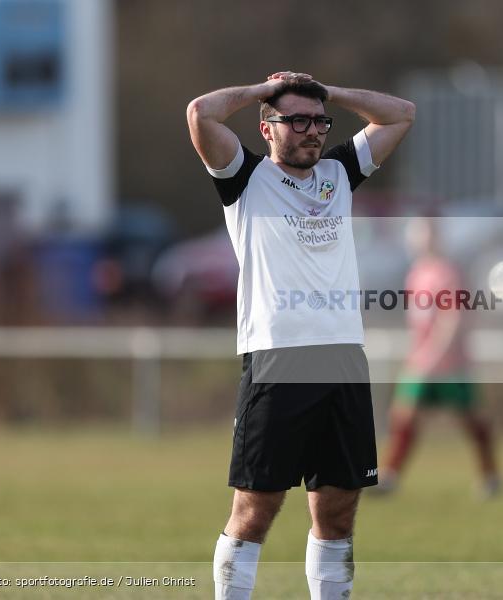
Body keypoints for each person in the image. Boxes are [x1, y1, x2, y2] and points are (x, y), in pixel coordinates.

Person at [186, 71, 414, 600]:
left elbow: (401, 112)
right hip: (277, 359)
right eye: (297, 121)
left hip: (342, 359)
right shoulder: (244, 179)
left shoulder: (338, 172)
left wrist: (326, 94)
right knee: (256, 506)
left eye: (318, 122)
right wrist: (262, 92)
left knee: (337, 506)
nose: (312, 131)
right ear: (267, 128)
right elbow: (201, 112)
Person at [375, 216, 501, 498]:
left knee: (471, 420)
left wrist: (437, 354)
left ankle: (491, 476)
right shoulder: (417, 272)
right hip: (420, 359)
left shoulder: (446, 272)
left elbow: (452, 318)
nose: (419, 239)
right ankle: (389, 476)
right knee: (404, 416)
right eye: (416, 234)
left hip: (450, 363)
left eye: (426, 234)